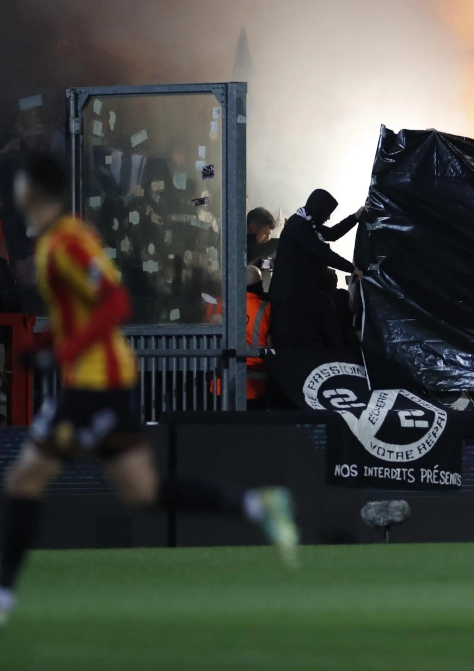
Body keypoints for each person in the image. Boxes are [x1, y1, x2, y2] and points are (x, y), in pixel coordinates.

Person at [0, 153, 298, 627]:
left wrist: (59, 354)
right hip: (100, 381)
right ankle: (255, 504)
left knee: (24, 480)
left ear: (27, 192)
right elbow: (85, 309)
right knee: (143, 492)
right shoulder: (66, 238)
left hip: (96, 384)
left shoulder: (65, 242)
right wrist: (53, 346)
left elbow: (113, 301)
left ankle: (5, 597)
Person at [269, 189, 363, 349]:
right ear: (319, 209)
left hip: (296, 297)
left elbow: (332, 233)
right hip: (289, 300)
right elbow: (323, 252)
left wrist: (355, 218)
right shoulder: (300, 226)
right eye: (327, 213)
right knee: (288, 344)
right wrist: (352, 269)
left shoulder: (308, 224)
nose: (328, 218)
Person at [245, 265, 272, 408]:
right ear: (260, 285)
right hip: (256, 388)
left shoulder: (221, 305)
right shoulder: (267, 308)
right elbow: (271, 343)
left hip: (222, 386)